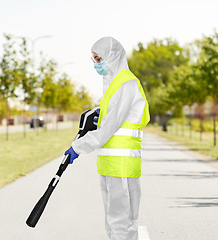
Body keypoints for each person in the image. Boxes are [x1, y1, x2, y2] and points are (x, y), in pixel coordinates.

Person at [65, 36, 150, 240]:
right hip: (110, 165)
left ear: (112, 57)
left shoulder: (126, 83)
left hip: (122, 164)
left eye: (99, 58)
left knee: (122, 222)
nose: (96, 64)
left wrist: (78, 146)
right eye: (93, 59)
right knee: (114, 221)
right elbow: (107, 120)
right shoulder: (113, 86)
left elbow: (108, 128)